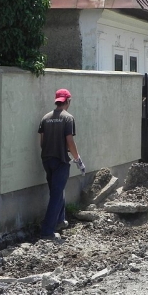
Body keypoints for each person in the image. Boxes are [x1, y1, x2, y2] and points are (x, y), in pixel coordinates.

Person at [38, 88, 85, 240]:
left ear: (57, 100)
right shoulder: (68, 118)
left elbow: (42, 142)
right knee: (57, 194)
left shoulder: (46, 117)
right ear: (68, 101)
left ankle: (60, 220)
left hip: (46, 159)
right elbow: (69, 141)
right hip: (60, 160)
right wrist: (78, 160)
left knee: (57, 190)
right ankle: (47, 230)